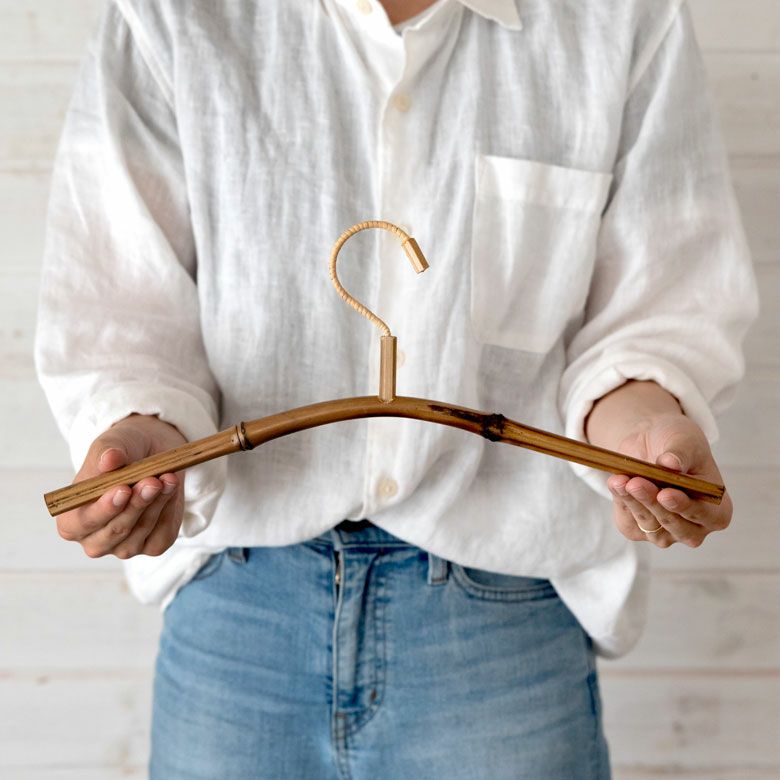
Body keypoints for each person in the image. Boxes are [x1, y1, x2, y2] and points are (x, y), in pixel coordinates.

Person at [35, 0, 758, 777]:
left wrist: (649, 431)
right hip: (238, 604)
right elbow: (123, 312)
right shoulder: (167, 16)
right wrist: (136, 437)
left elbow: (656, 310)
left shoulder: (620, 17)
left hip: (503, 621)